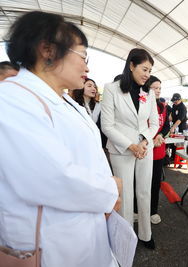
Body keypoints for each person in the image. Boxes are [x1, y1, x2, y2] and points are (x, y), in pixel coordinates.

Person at [0, 11, 121, 267]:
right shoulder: (12, 98)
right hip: (52, 244)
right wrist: (110, 189)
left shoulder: (62, 99)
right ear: (48, 50)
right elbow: (48, 177)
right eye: (83, 57)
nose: (87, 68)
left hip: (83, 230)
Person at [101, 48, 159, 249]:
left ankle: (145, 234)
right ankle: (125, 240)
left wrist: (143, 140)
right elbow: (107, 125)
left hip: (144, 148)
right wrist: (131, 145)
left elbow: (154, 123)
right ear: (131, 65)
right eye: (144, 69)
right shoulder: (111, 89)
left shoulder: (149, 93)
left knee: (144, 191)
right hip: (121, 149)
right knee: (125, 197)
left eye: (150, 70)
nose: (147, 74)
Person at [133, 75, 169, 225]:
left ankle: (152, 211)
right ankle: (136, 210)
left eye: (159, 88)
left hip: (158, 150)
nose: (158, 91)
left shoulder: (164, 106)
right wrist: (148, 139)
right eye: (155, 88)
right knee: (139, 181)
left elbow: (166, 125)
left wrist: (160, 135)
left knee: (155, 182)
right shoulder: (140, 104)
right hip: (143, 148)